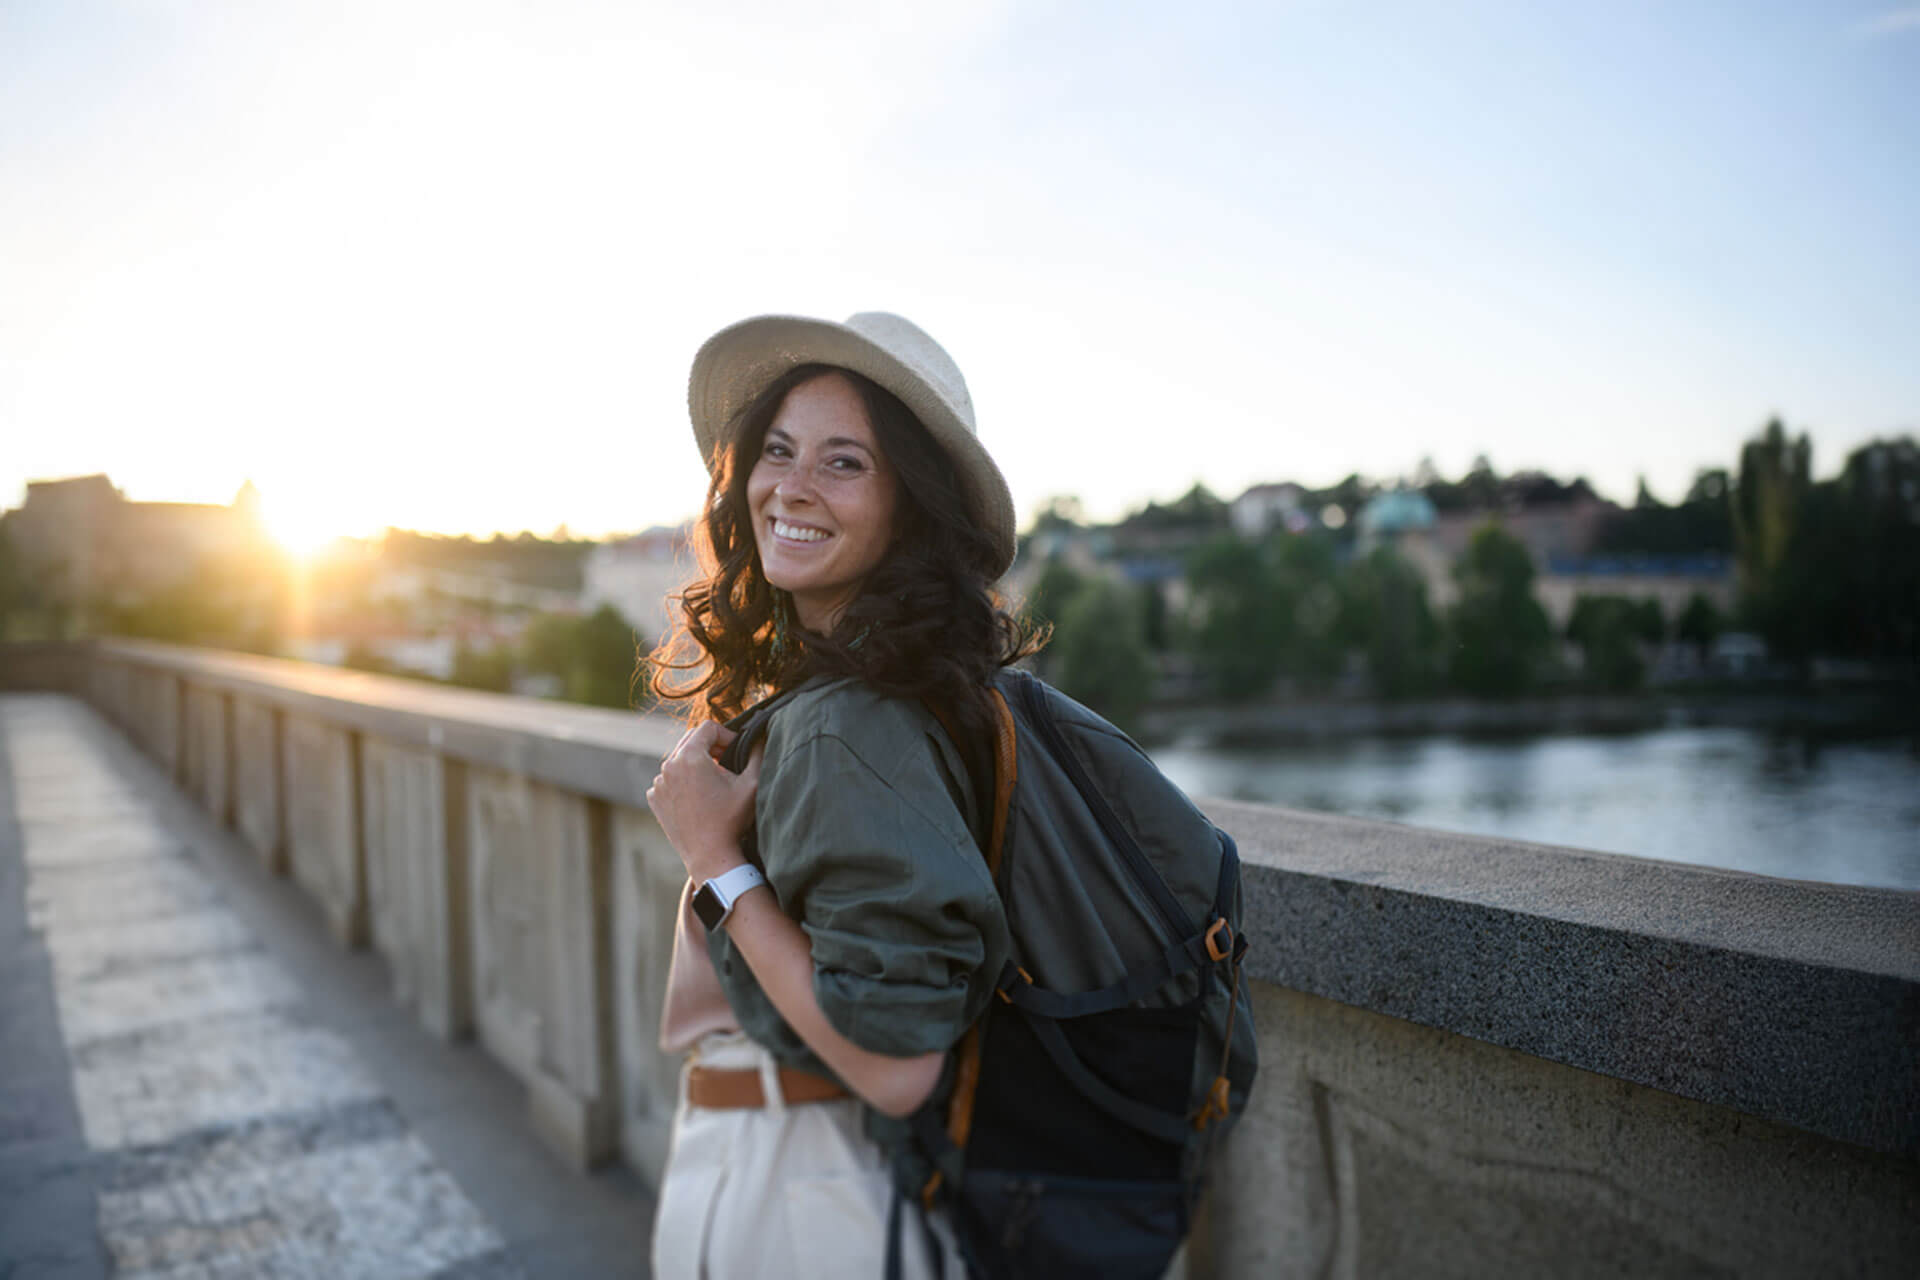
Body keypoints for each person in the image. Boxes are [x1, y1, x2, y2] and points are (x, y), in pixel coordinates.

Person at [643, 311, 1042, 1278]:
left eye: (845, 462)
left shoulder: (846, 722)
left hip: (803, 1184)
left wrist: (717, 862)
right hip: (812, 1176)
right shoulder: (896, 691)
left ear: (913, 505)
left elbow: (900, 1069)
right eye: (777, 451)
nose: (791, 487)